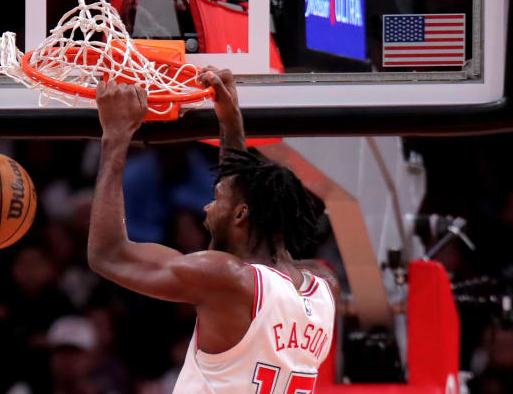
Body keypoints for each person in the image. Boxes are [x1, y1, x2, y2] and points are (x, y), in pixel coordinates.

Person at [88, 68, 340, 393]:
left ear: (240, 214)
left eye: (216, 199)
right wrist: (231, 122)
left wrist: (115, 136)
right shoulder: (323, 285)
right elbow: (246, 241)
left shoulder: (227, 279)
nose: (206, 209)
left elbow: (108, 255)